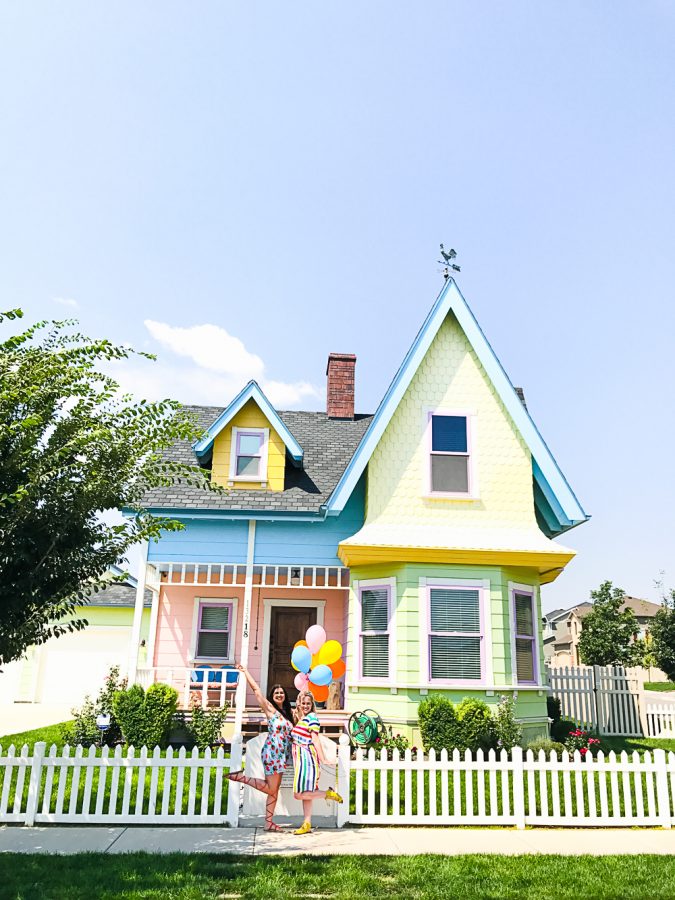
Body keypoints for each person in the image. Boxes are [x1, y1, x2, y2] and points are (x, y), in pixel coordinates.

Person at [225, 663, 293, 832]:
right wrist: (245, 671)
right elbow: (256, 691)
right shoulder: (270, 710)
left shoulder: (289, 715)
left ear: (285, 696)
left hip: (282, 755)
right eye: (276, 693)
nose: (279, 694)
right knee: (272, 788)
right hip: (272, 752)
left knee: (274, 790)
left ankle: (268, 823)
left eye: (281, 692)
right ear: (272, 696)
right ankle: (242, 778)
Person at [291, 689, 343, 835]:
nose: (305, 705)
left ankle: (328, 794)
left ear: (312, 704)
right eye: (303, 703)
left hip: (307, 759)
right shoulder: (303, 719)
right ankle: (307, 824)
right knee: (307, 792)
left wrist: (323, 758)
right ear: (299, 704)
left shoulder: (312, 718)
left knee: (298, 794)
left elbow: (315, 739)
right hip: (300, 759)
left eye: (308, 703)